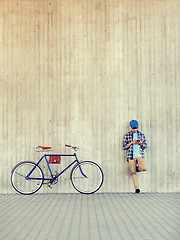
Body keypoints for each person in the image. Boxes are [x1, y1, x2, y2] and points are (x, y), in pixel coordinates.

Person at [123, 120, 147, 193]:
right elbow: (124, 147)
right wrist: (131, 143)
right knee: (133, 173)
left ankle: (133, 169)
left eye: (135, 128)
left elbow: (145, 145)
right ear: (130, 127)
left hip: (139, 155)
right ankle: (137, 188)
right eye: (133, 128)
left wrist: (141, 143)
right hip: (131, 156)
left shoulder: (141, 135)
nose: (134, 129)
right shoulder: (127, 135)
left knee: (144, 168)